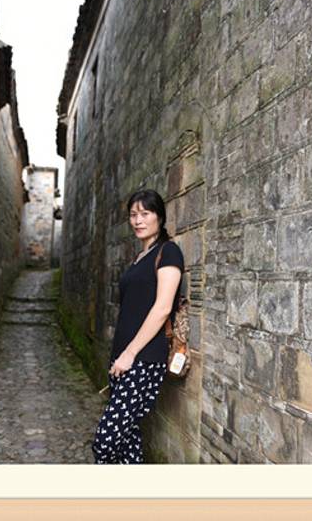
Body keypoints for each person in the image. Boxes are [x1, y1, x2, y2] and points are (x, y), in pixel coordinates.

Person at [92, 189, 184, 464]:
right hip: (123, 359)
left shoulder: (169, 252)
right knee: (127, 441)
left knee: (105, 443)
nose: (138, 220)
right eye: (133, 215)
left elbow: (163, 307)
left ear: (159, 217)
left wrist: (130, 354)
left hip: (143, 359)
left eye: (145, 213)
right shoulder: (140, 257)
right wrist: (121, 355)